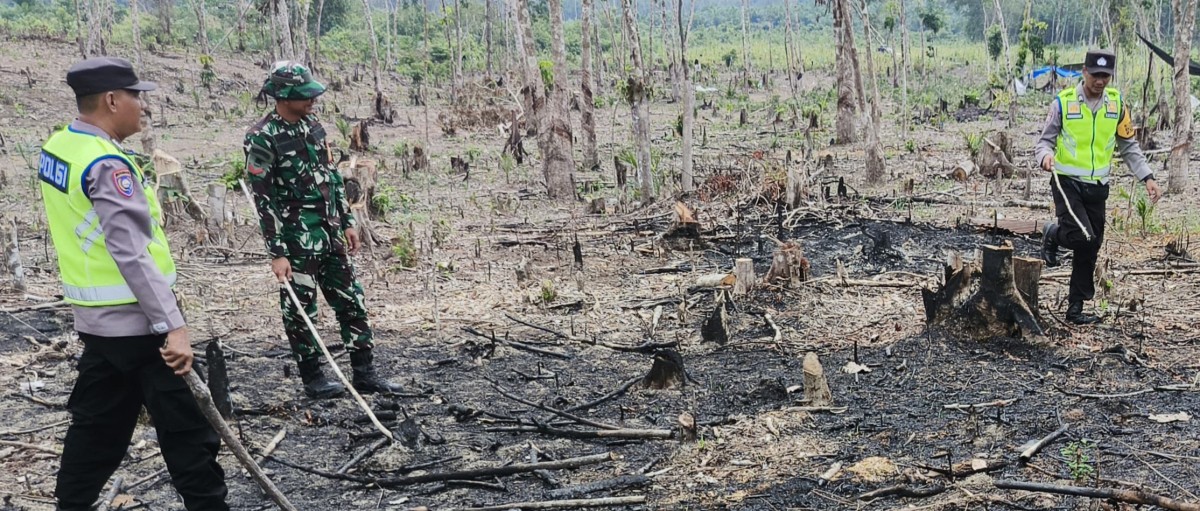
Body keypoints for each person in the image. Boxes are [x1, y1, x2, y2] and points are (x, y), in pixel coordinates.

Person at [39, 57, 228, 510]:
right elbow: (130, 252)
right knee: (189, 436)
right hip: (143, 328)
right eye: (135, 96)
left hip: (97, 325)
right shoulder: (106, 164)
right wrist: (173, 325)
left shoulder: (60, 147)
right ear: (110, 100)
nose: (142, 106)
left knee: (95, 433)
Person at [244, 61, 403, 398]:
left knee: (351, 300)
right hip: (296, 241)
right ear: (284, 98)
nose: (312, 101)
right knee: (301, 310)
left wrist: (346, 222)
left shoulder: (313, 125)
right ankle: (313, 379)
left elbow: (331, 176)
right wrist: (277, 253)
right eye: (304, 96)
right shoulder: (262, 137)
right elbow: (264, 200)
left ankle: (365, 373)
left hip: (330, 234)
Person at [1035, 48, 1162, 325]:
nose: (1100, 81)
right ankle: (1052, 233)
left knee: (1092, 246)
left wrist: (1147, 177)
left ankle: (1075, 309)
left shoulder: (1116, 105)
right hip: (1067, 181)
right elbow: (1044, 141)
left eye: (1105, 76)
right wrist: (1045, 156)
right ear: (1084, 72)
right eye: (1095, 75)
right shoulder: (1063, 102)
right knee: (1083, 236)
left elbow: (1129, 147)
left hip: (1098, 187)